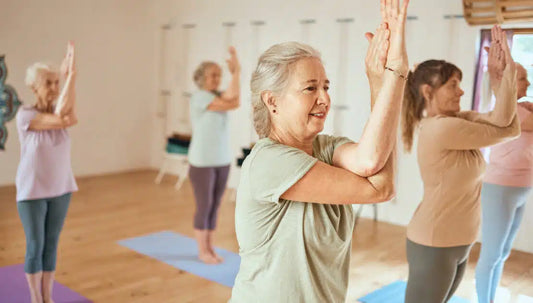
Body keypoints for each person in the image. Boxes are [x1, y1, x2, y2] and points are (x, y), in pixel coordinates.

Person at [230, 0, 410, 302]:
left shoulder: (326, 147)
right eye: (310, 88)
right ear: (272, 101)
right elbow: (379, 186)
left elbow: (371, 161)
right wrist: (396, 74)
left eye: (326, 86)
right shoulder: (268, 161)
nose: (325, 98)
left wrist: (380, 81)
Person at [401, 26, 520, 303]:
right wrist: (504, 75)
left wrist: (499, 75)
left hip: (459, 240)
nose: (461, 90)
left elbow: (506, 122)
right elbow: (509, 129)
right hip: (434, 241)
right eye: (453, 85)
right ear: (428, 91)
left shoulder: (459, 120)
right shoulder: (441, 129)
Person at [16, 42, 78, 303]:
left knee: (51, 245)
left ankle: (48, 298)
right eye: (48, 83)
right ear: (34, 87)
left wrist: (71, 77)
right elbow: (63, 119)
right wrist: (71, 77)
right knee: (35, 247)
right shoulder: (25, 115)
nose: (54, 88)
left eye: (57, 82)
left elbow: (68, 117)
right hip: (32, 192)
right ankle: (35, 298)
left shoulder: (60, 111)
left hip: (61, 189)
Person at [475, 63, 532, 303]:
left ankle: (489, 299)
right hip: (500, 189)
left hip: (522, 187)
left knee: (503, 253)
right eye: (522, 79)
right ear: (505, 82)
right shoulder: (507, 110)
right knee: (492, 253)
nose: (528, 84)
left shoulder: (523, 109)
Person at [188, 47, 240, 264]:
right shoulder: (199, 97)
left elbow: (233, 99)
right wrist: (235, 75)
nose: (218, 79)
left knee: (215, 205)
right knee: (204, 205)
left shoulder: (217, 96)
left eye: (220, 74)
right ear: (202, 78)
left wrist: (236, 72)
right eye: (213, 75)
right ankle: (202, 251)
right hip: (202, 162)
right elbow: (234, 102)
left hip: (222, 161)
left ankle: (210, 248)